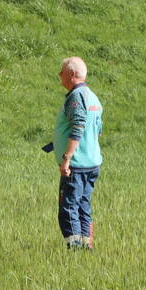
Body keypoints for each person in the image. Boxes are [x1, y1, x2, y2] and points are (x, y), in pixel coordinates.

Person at [53, 56, 103, 250]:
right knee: (83, 205)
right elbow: (97, 128)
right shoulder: (92, 97)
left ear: (71, 74)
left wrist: (67, 158)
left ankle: (74, 250)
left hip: (77, 164)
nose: (59, 75)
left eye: (62, 71)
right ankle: (86, 245)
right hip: (92, 162)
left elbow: (78, 126)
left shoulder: (76, 96)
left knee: (68, 207)